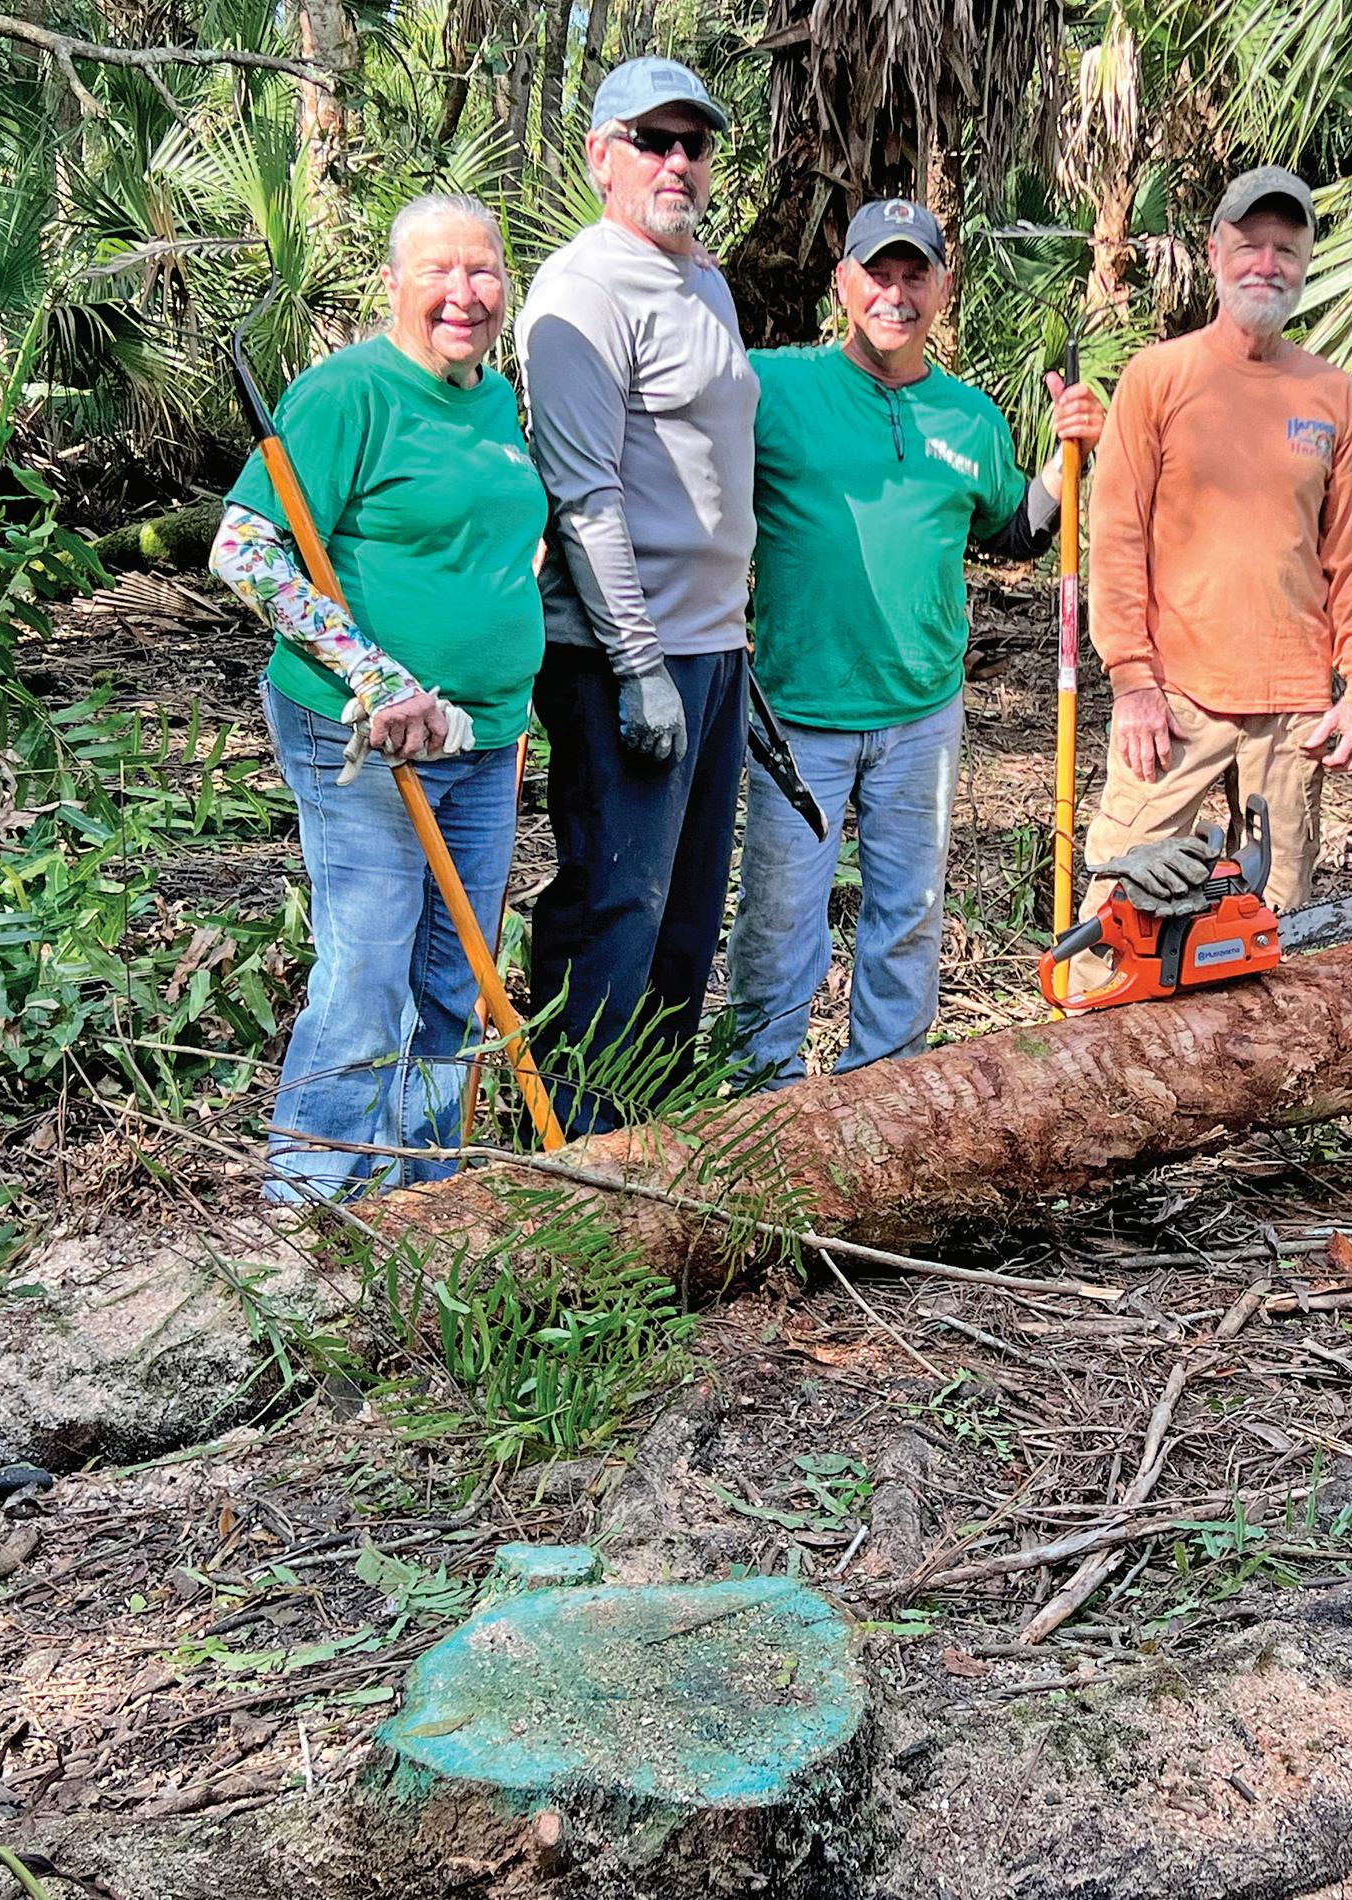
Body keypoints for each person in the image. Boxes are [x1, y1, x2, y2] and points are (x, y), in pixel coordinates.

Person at [211, 194, 546, 1202]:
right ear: (393, 284)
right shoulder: (346, 393)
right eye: (439, 271)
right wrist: (374, 671)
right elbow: (243, 549)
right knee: (367, 969)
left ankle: (419, 1194)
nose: (464, 293)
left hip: (485, 734)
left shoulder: (496, 399)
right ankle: (309, 1198)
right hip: (365, 733)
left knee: (456, 975)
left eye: (483, 271)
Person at [726, 200, 1107, 1084]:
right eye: (877, 274)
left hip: (922, 715)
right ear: (842, 284)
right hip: (798, 714)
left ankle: (889, 1087)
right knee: (780, 920)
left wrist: (1066, 460)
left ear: (942, 287)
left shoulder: (969, 417)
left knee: (908, 913)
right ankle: (761, 1092)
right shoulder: (773, 388)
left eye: (913, 275)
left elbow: (1012, 531)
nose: (894, 294)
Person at [516, 55, 755, 1130]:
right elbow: (585, 496)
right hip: (622, 657)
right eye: (652, 141)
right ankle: (576, 1144)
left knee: (687, 914)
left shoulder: (705, 281)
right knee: (616, 904)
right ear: (601, 156)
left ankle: (658, 1139)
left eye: (692, 144)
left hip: (714, 651)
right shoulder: (583, 288)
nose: (676, 162)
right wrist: (640, 663)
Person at [1076, 166, 1352, 929]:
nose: (1266, 265)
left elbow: (1350, 556)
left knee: (1266, 933)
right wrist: (1131, 682)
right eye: (1250, 245)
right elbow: (1115, 541)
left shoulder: (1331, 393)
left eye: (1286, 249)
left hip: (1292, 710)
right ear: (1215, 252)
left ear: (1305, 262)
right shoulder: (1158, 377)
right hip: (1175, 701)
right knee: (1120, 918)